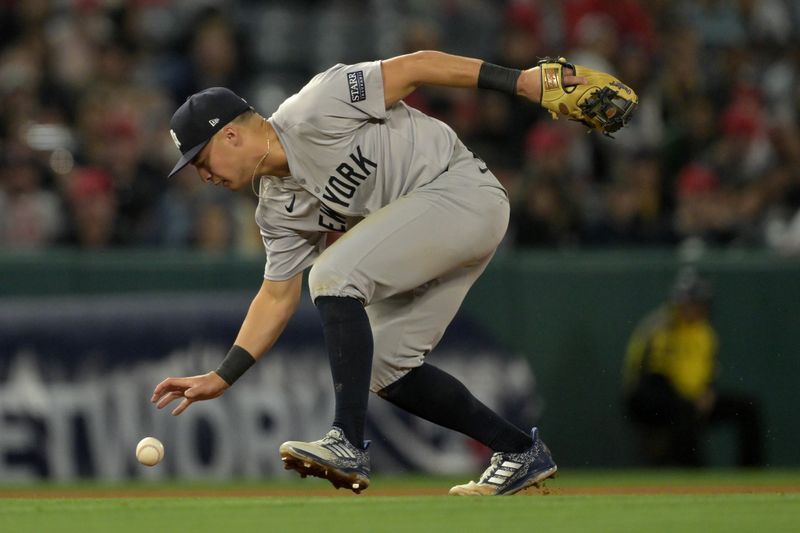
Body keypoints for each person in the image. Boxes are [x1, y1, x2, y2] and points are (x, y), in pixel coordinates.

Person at [151, 50, 600, 495]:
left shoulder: (314, 107)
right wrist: (223, 375)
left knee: (331, 274)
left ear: (230, 135)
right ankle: (517, 450)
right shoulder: (276, 209)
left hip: (462, 190)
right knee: (386, 366)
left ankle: (346, 441)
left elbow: (417, 66)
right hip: (436, 226)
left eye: (200, 159)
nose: (201, 174)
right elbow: (275, 297)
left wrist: (519, 81)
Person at [622, 269, 764, 467]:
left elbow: (709, 371)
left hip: (693, 397)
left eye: (698, 304)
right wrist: (686, 397)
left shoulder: (705, 333)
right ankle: (694, 473)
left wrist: (708, 392)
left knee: (748, 407)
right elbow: (648, 375)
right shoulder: (660, 327)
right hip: (652, 396)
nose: (693, 309)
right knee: (683, 408)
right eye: (689, 303)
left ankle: (752, 474)